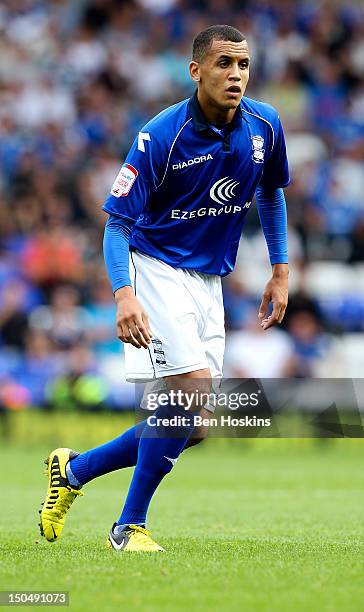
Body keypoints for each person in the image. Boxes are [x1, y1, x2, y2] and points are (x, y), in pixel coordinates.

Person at [39, 25, 290, 553]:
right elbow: (116, 224)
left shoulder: (266, 124)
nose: (236, 75)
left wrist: (280, 268)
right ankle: (128, 527)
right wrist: (123, 293)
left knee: (191, 426)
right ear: (195, 71)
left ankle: (74, 471)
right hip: (155, 268)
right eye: (224, 63)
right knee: (189, 393)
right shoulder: (161, 135)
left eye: (243, 64)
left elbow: (270, 193)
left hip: (208, 280)